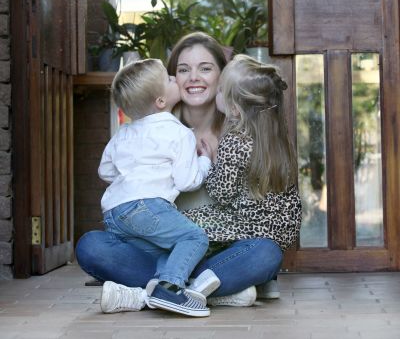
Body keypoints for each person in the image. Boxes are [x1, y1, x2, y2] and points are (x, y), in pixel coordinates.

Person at [75, 33, 292, 311]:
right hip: (160, 251)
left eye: (205, 68)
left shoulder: (242, 133)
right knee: (91, 246)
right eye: (182, 70)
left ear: (222, 77)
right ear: (166, 84)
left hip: (217, 255)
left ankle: (150, 294)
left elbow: (258, 214)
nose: (193, 77)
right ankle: (207, 292)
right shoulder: (150, 131)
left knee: (266, 252)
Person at [98, 58, 219, 317]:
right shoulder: (178, 133)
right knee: (194, 238)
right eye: (170, 79)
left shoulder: (123, 133)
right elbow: (188, 181)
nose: (176, 79)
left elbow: (105, 171)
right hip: (147, 207)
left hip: (114, 214)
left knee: (169, 247)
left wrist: (130, 178)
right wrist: (205, 161)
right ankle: (171, 287)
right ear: (161, 102)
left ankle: (157, 287)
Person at [182, 53, 302, 306]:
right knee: (265, 252)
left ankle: (187, 283)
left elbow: (220, 193)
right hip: (279, 237)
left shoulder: (235, 140)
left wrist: (210, 161)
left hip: (244, 228)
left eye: (221, 91)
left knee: (188, 222)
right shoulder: (281, 142)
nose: (217, 95)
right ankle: (257, 280)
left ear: (234, 108)